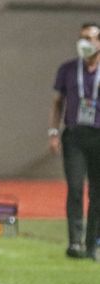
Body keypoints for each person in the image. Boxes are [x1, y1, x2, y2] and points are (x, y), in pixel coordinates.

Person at [50, 22, 100, 259]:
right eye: (82, 37)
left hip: (99, 135)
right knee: (76, 188)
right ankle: (75, 243)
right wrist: (53, 132)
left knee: (98, 193)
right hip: (75, 136)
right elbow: (58, 103)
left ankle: (92, 245)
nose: (84, 43)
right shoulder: (68, 69)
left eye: (90, 38)